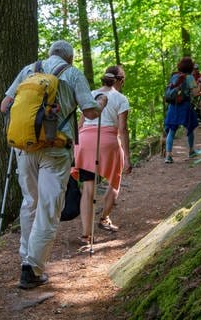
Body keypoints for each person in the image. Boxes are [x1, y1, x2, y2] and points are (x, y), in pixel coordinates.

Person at [0, 40, 107, 289]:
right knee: (48, 207)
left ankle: (26, 257)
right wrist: (101, 101)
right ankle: (32, 269)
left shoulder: (29, 70)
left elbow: (4, 105)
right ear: (69, 58)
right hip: (56, 150)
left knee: (30, 202)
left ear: (49, 55)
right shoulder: (72, 73)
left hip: (24, 148)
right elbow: (90, 112)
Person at [72, 65, 132, 245]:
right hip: (108, 142)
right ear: (120, 81)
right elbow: (122, 129)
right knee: (114, 180)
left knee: (88, 188)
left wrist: (74, 145)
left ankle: (86, 234)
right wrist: (127, 157)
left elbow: (80, 122)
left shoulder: (90, 95)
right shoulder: (121, 98)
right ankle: (104, 218)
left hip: (84, 142)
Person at [164, 57, 199, 163]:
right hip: (185, 106)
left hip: (173, 106)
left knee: (172, 130)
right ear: (191, 67)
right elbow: (195, 93)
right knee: (190, 127)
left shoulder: (174, 76)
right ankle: (191, 151)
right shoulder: (190, 78)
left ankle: (168, 155)